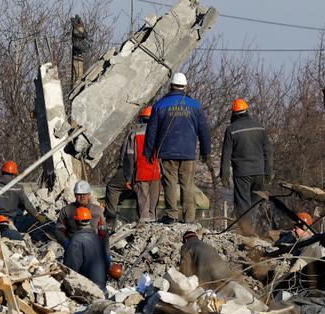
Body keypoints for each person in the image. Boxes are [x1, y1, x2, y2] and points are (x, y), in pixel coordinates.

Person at [143, 72, 210, 223]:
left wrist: (148, 152)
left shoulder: (160, 105)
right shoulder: (195, 106)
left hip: (167, 152)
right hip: (188, 152)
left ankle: (172, 215)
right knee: (188, 184)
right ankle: (189, 218)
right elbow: (204, 131)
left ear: (170, 86)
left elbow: (151, 131)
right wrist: (206, 152)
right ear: (185, 86)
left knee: (170, 183)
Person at [219, 98, 273, 234]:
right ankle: (251, 230)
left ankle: (248, 233)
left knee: (243, 204)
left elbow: (226, 154)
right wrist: (268, 172)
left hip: (242, 173)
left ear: (233, 113)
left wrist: (224, 175)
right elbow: (268, 151)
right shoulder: (260, 127)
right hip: (259, 173)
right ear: (247, 110)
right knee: (254, 204)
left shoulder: (231, 129)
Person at [105, 107, 161, 225]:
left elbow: (128, 157)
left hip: (139, 172)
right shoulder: (160, 133)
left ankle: (111, 217)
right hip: (155, 173)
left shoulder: (134, 133)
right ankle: (151, 223)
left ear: (141, 118)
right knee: (152, 204)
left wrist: (129, 177)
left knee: (112, 187)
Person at [180, 230, 245, 289]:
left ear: (185, 240)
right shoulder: (206, 245)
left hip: (208, 278)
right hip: (225, 274)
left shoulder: (186, 246)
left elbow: (185, 269)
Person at [62, 206, 109, 290]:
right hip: (102, 287)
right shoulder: (99, 239)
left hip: (87, 289)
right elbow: (107, 262)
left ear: (76, 221)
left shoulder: (76, 240)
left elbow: (70, 269)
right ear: (90, 220)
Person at [0, 160, 40, 231]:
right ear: (14, 173)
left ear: (2, 171)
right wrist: (39, 217)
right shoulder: (17, 188)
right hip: (11, 219)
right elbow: (27, 205)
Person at [55, 179, 106, 245]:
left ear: (89, 194)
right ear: (75, 194)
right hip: (73, 244)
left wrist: (104, 249)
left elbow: (103, 231)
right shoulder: (66, 210)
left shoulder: (97, 210)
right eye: (79, 194)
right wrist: (65, 243)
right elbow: (59, 229)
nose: (82, 196)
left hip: (92, 245)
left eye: (84, 194)